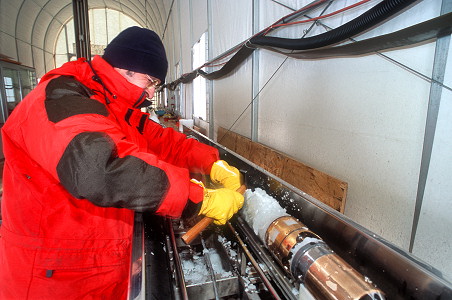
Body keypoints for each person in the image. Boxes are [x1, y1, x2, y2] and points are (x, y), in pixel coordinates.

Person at [0, 26, 244, 299]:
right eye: (150, 81)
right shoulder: (60, 99)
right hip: (55, 278)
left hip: (94, 266)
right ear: (125, 68)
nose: (152, 93)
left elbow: (161, 140)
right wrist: (196, 198)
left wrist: (211, 163)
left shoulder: (110, 103)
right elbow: (98, 170)